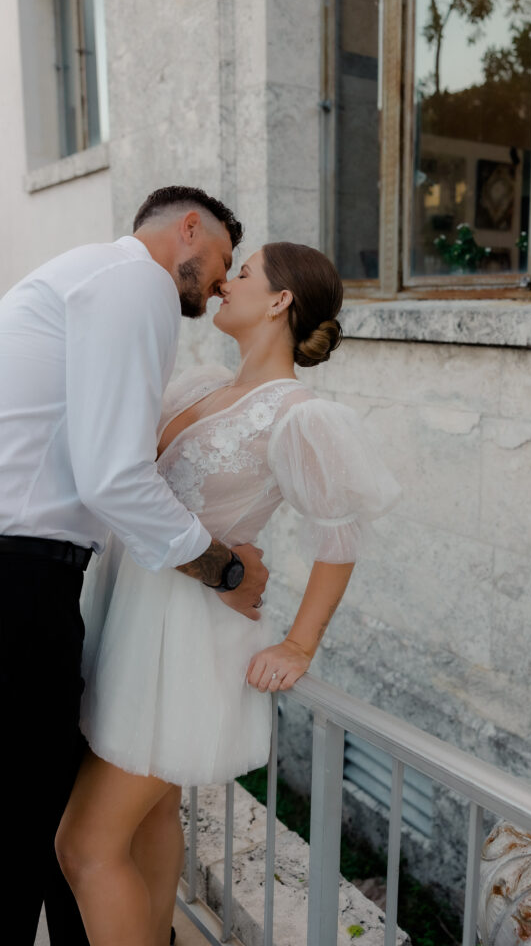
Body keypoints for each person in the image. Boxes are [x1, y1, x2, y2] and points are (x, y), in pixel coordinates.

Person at [56, 241, 400, 946]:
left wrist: (298, 642)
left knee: (83, 845)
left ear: (278, 301)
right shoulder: (202, 383)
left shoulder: (298, 415)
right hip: (129, 616)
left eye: (242, 274)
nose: (223, 284)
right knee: (150, 818)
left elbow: (339, 539)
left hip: (182, 644)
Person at [0, 186, 268, 946]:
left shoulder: (78, 277)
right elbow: (112, 477)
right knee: (31, 822)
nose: (220, 283)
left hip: (30, 576)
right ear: (188, 228)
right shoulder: (134, 283)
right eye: (220, 262)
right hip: (19, 580)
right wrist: (224, 570)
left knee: (49, 810)